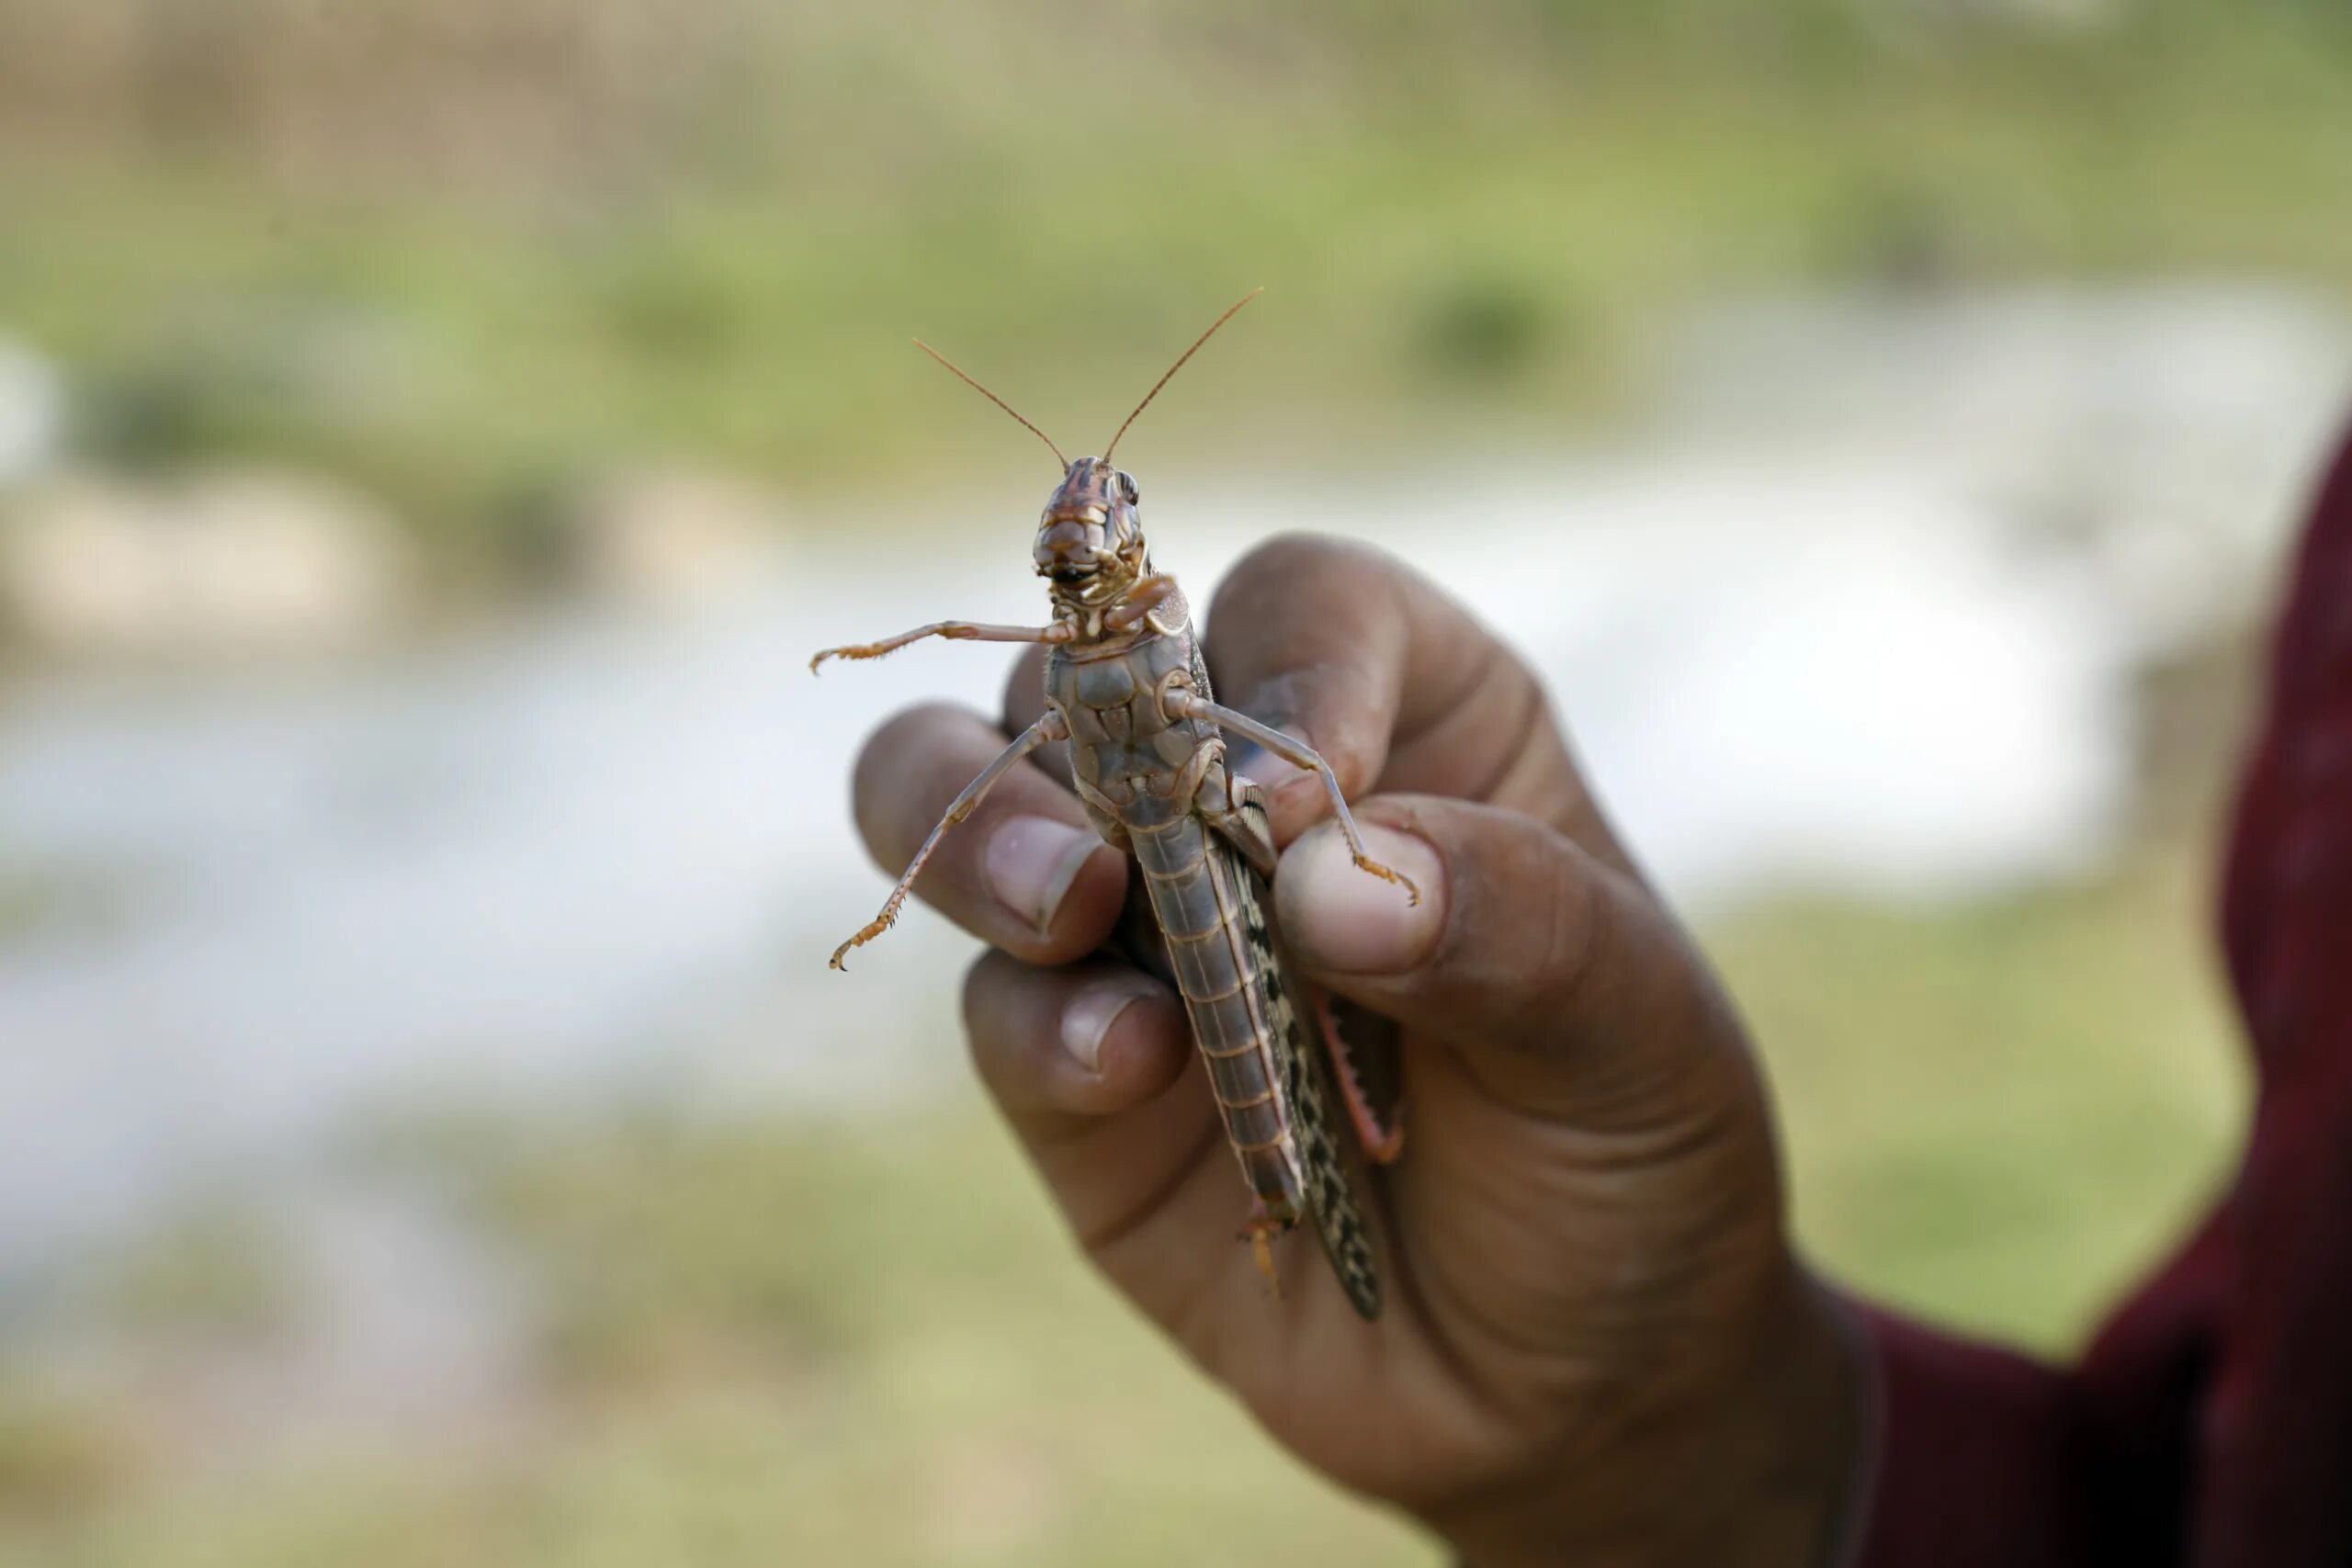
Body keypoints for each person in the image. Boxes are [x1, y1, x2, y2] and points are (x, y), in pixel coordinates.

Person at [844, 424, 2352, 1566]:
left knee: (1293, 801)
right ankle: (1290, 1182)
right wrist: (1653, 1450)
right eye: (1066, 534)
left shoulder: (1158, 621)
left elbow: (1282, 757)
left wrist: (1346, 827)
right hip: (1159, 907)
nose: (1080, 540)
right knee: (1053, 834)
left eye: (1094, 528)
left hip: (1229, 878)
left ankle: (1308, 1144)